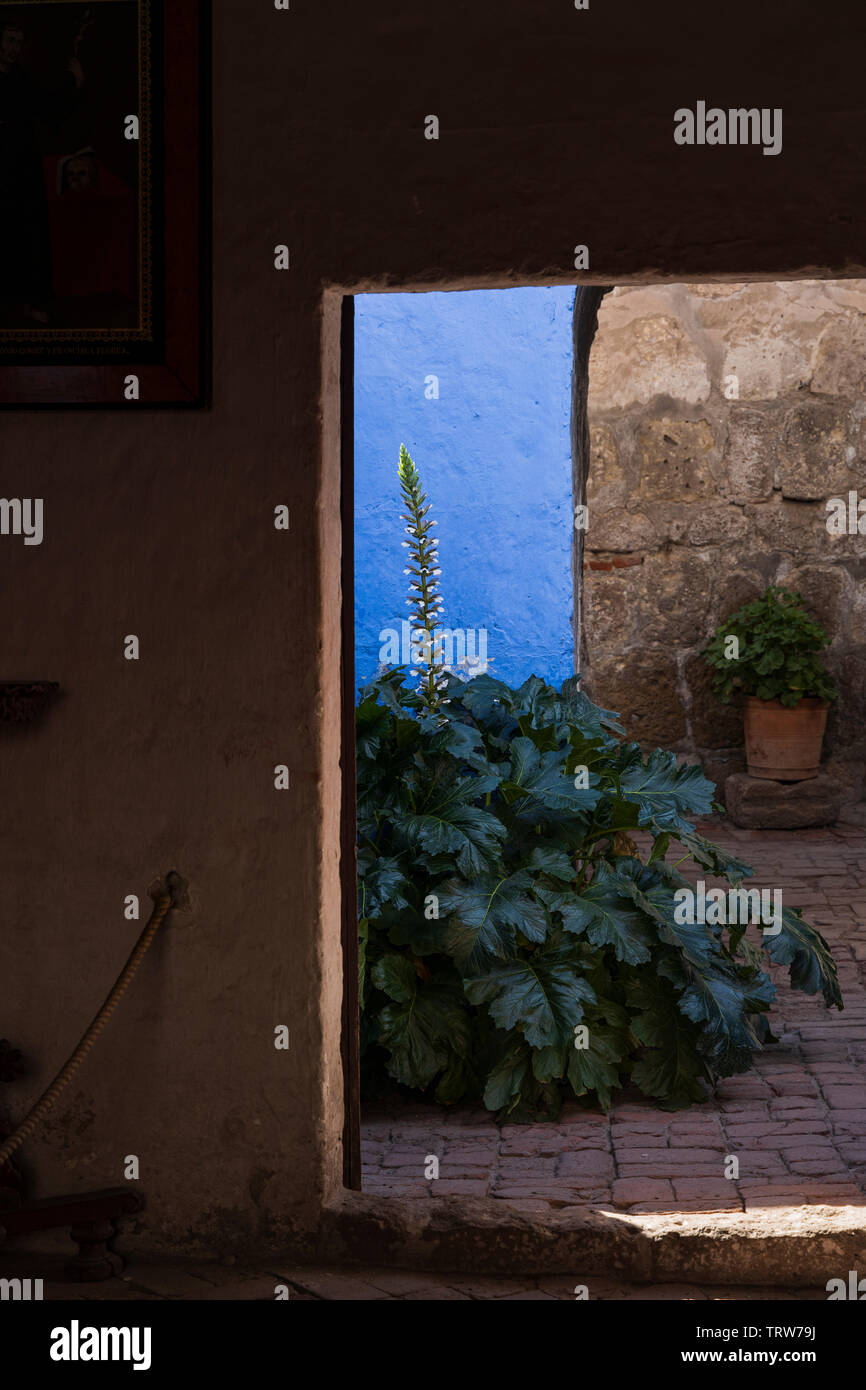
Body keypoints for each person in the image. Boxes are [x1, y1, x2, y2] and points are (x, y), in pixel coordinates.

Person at [0, 20, 85, 323]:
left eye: (18, 42)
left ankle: (30, 302)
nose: (13, 48)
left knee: (29, 234)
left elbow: (49, 107)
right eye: (9, 40)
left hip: (21, 169)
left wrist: (72, 81)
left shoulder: (21, 78)